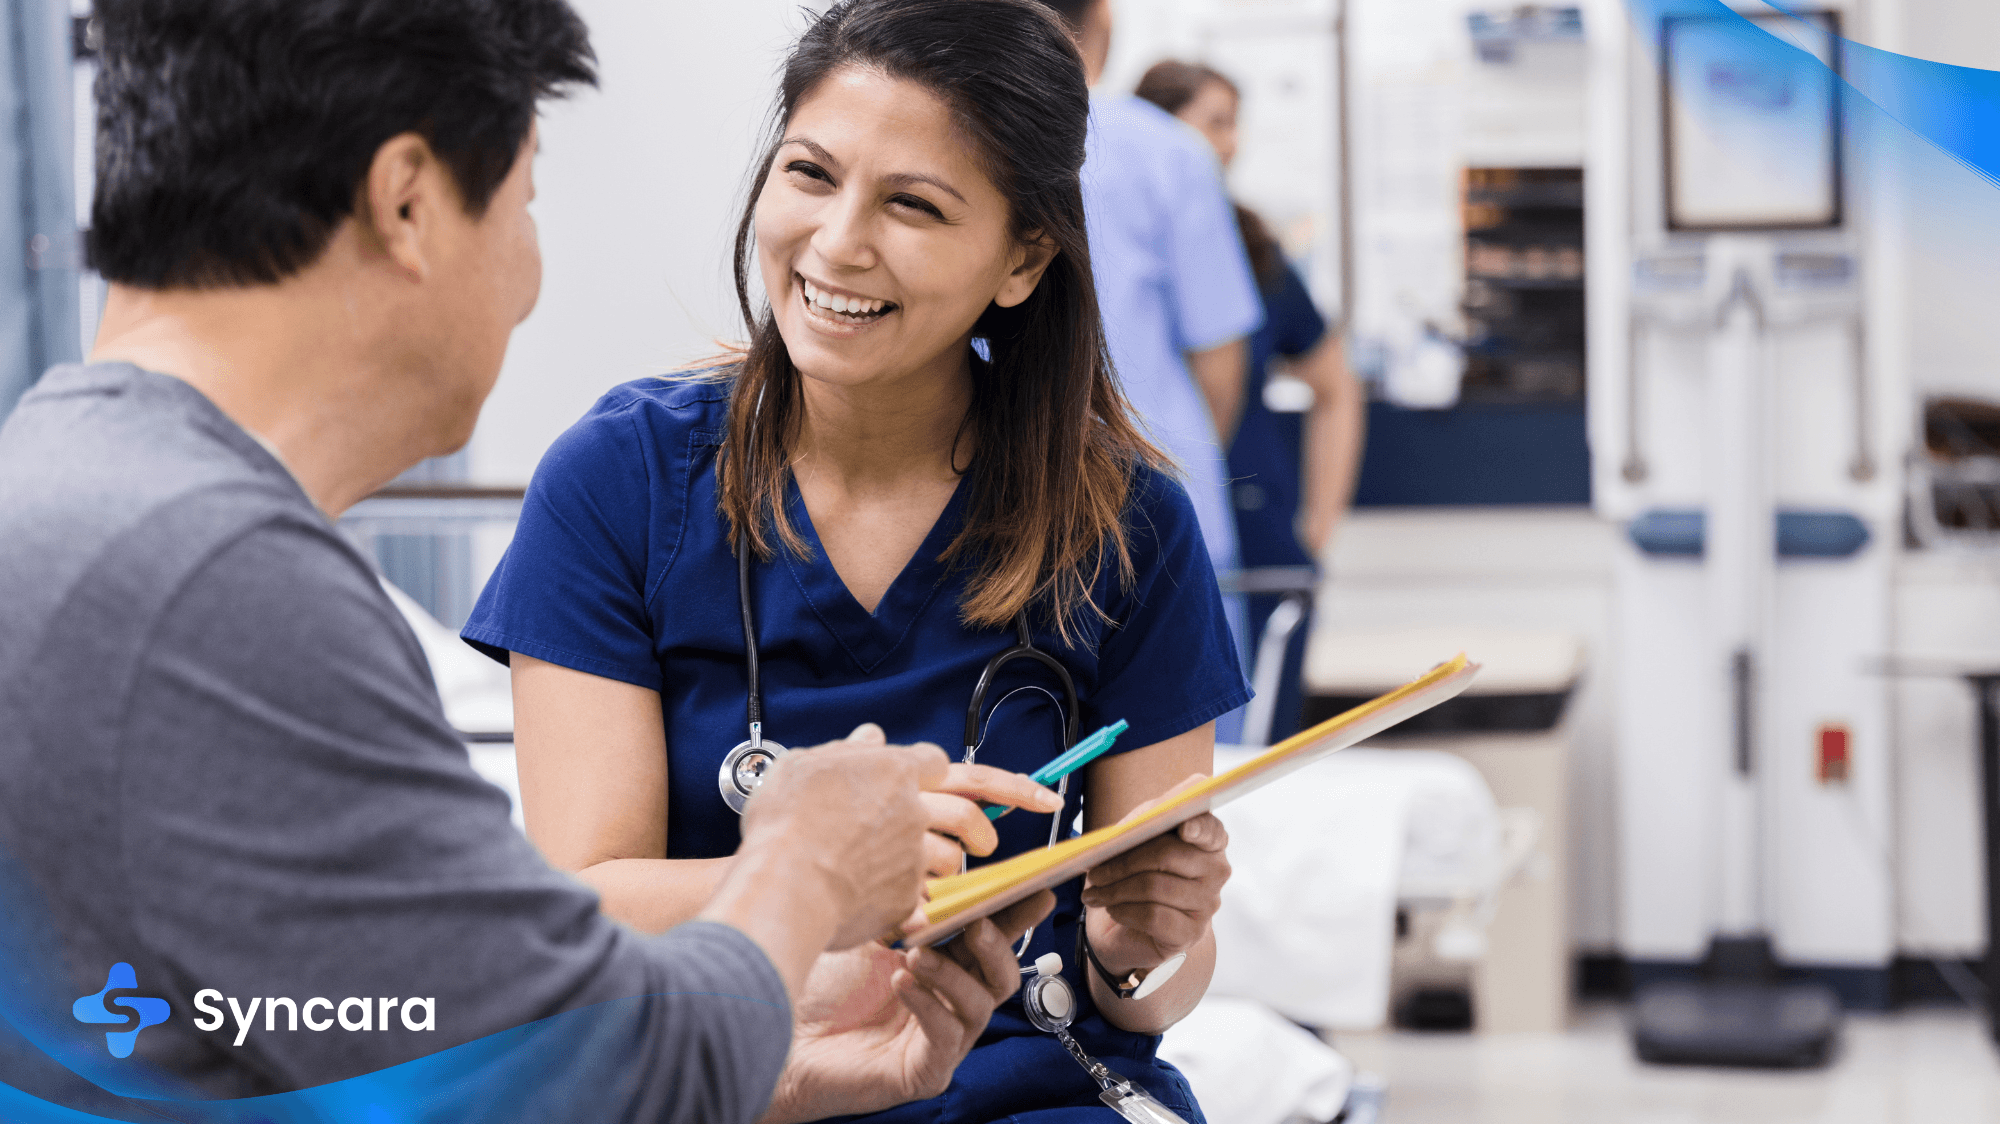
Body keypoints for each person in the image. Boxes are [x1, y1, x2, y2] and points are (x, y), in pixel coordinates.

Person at [0, 2, 1040, 1121]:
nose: (530, 277)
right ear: (409, 202)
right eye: (526, 197)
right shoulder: (217, 582)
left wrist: (775, 1061)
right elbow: (571, 1084)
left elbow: (381, 1039)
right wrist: (808, 857)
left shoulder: (63, 489)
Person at [461, 1, 1241, 1120]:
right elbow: (585, 909)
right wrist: (835, 863)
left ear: (1022, 256)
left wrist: (1141, 938)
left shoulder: (1126, 521)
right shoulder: (619, 482)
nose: (835, 242)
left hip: (1024, 1088)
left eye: (911, 204)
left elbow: (1146, 995)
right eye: (810, 174)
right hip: (723, 1079)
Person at [1039, 1, 1265, 717]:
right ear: (1102, 21)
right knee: (1193, 789)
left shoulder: (958, 140)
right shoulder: (1169, 153)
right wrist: (1181, 464)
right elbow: (1220, 363)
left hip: (1010, 505)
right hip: (1165, 497)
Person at [1134, 60, 1366, 742]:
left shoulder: (1254, 250)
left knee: (1260, 750)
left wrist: (1319, 524)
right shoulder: (1109, 244)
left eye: (1235, 125)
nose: (1229, 143)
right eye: (1213, 122)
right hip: (1152, 532)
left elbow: (1335, 387)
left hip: (1255, 533)